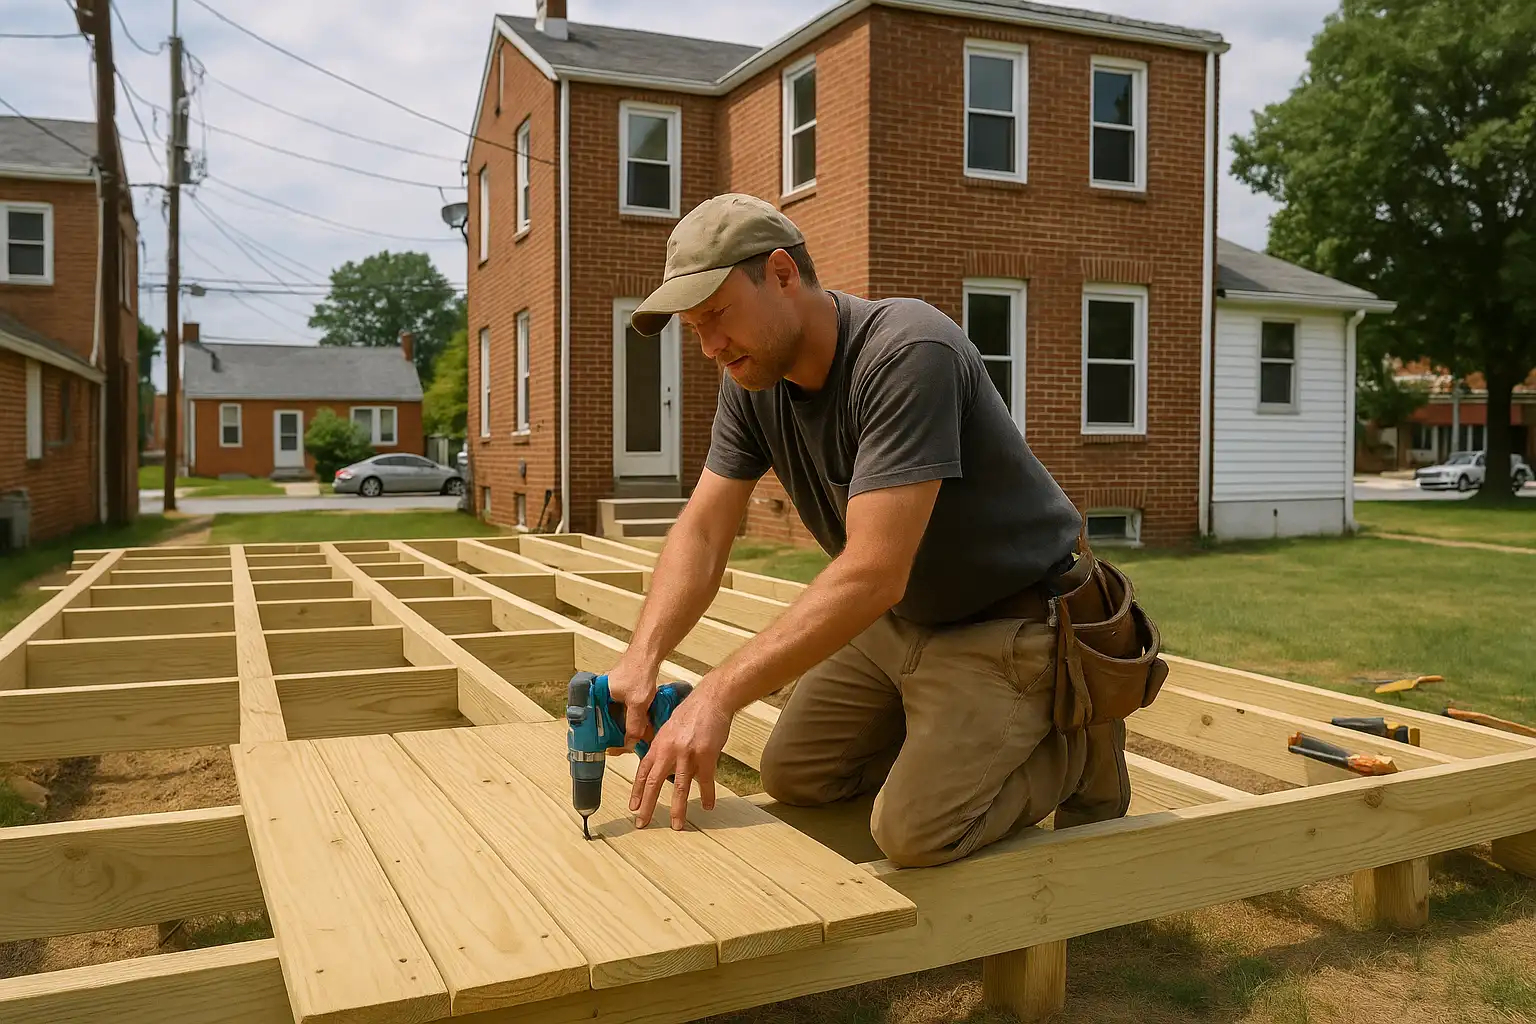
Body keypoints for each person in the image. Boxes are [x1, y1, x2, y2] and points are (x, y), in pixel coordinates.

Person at [605, 192, 1132, 867]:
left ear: (783, 275)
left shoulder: (907, 349)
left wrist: (717, 691)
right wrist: (642, 657)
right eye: (693, 326)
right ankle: (949, 753)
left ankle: (1073, 748)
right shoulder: (750, 382)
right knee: (795, 776)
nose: (709, 347)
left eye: (716, 316)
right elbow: (705, 530)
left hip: (1012, 623)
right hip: (905, 619)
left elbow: (874, 570)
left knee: (915, 836)